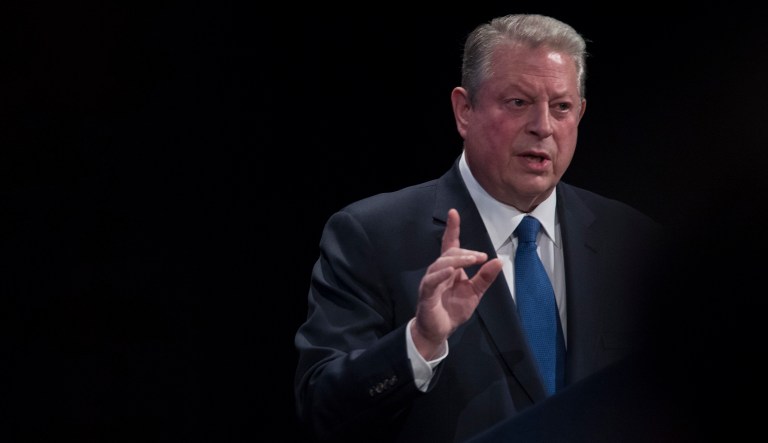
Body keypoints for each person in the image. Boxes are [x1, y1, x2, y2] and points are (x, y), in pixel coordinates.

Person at [294, 13, 668, 442]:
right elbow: (320, 407)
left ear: (580, 113)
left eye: (561, 107)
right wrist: (419, 342)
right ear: (464, 110)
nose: (543, 126)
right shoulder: (372, 236)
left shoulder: (634, 242)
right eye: (518, 103)